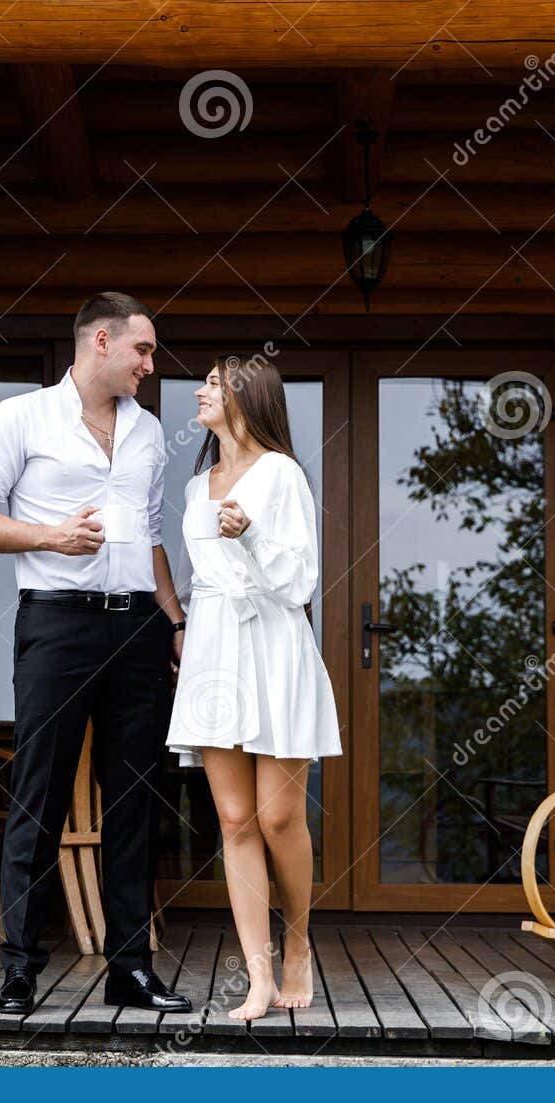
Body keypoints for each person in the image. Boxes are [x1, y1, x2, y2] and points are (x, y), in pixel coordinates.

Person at [0, 292, 191, 1015]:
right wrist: (51, 536)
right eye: (143, 350)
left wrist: (175, 622)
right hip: (57, 626)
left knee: (135, 802)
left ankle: (130, 969)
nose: (151, 364)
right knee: (39, 795)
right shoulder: (18, 418)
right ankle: (19, 969)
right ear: (102, 341)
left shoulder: (148, 432)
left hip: (138, 628)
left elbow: (149, 537)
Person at [166, 355, 342, 1021]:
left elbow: (299, 583)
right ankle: (259, 979)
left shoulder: (282, 474)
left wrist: (253, 534)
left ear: (246, 396)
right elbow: (199, 577)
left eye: (213, 383)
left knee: (278, 816)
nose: (200, 391)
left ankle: (299, 941)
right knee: (234, 819)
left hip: (274, 645)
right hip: (216, 649)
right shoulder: (195, 487)